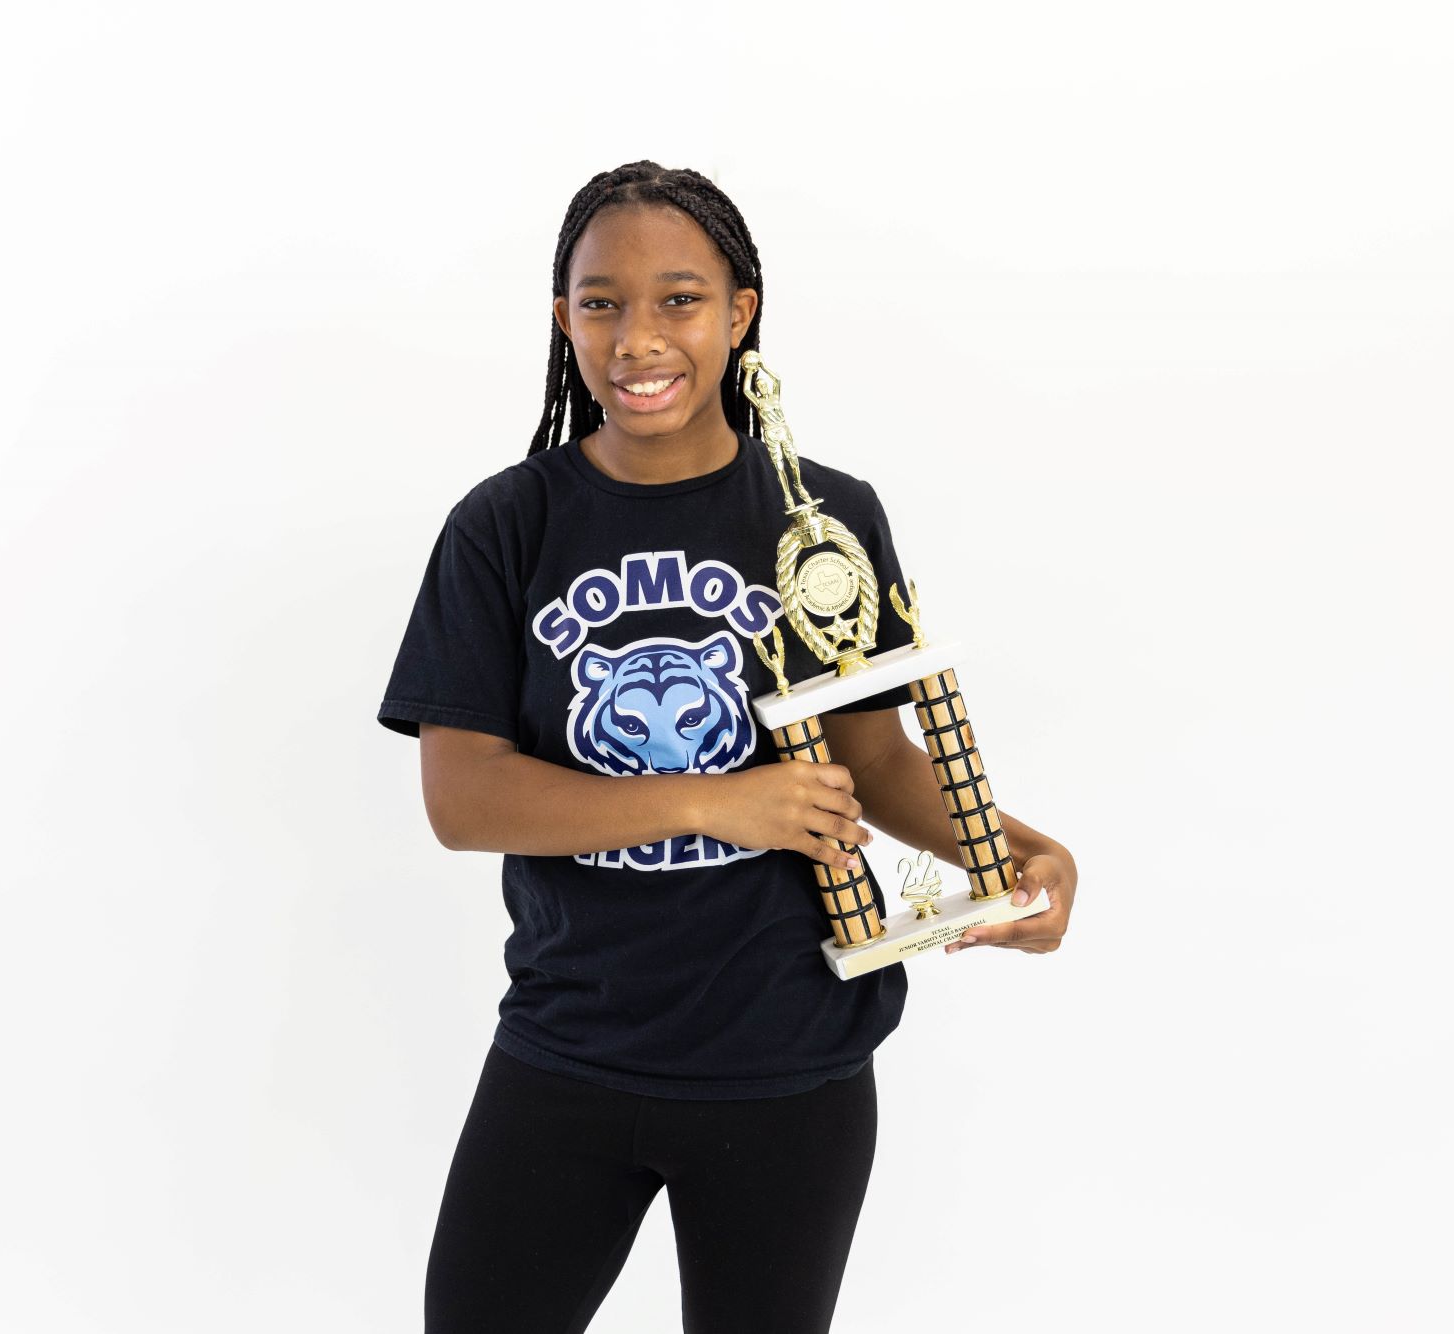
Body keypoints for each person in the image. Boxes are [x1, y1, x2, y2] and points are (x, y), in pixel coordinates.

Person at [377, 160, 1079, 1334]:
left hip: (789, 1060)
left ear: (740, 310)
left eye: (678, 298)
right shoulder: (504, 523)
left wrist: (1016, 848)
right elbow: (463, 797)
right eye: (599, 302)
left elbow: (878, 755)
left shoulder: (825, 516)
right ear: (562, 317)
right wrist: (713, 798)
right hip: (569, 1046)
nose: (636, 337)